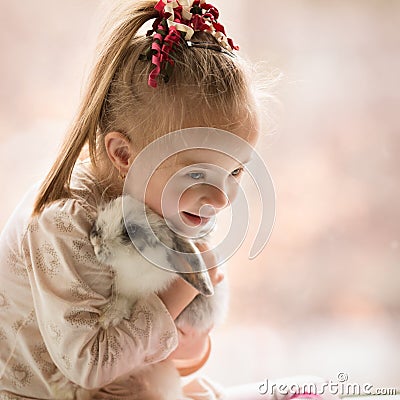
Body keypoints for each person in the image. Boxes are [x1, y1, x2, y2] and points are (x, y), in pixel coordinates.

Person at [0, 1, 333, 399]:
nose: (222, 198)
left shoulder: (158, 200)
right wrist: (180, 292)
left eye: (235, 172)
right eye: (197, 173)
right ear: (124, 156)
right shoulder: (64, 224)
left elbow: (161, 352)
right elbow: (89, 364)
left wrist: (192, 333)